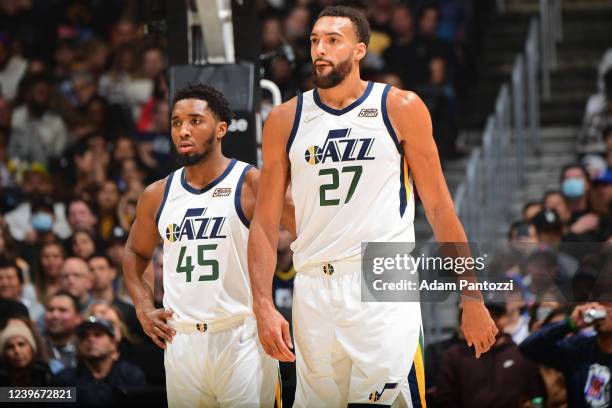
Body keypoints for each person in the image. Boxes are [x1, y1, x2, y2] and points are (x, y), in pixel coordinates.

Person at [248, 5, 497, 407]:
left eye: (333, 40)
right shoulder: (284, 119)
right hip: (313, 285)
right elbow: (263, 224)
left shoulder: (399, 107)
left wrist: (471, 296)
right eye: (314, 41)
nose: (320, 50)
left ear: (360, 50)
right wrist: (262, 304)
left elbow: (439, 208)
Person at [123, 84, 294, 406]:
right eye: (176, 122)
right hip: (182, 339)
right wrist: (143, 307)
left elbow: (306, 228)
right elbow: (135, 252)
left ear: (221, 129)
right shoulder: (157, 194)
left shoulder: (251, 183)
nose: (183, 131)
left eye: (195, 121)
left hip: (241, 335)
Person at [434, 300, 546, 407]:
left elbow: (536, 397)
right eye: (482, 315)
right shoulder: (455, 356)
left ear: (505, 318)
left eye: (495, 315)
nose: (489, 321)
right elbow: (445, 398)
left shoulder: (522, 355)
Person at [520, 300, 612, 407]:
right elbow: (528, 347)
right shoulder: (578, 348)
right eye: (599, 304)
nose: (604, 310)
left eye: (609, 305)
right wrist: (570, 323)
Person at [55, 316, 146, 406]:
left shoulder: (131, 375)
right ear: (79, 345)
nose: (90, 339)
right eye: (84, 336)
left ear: (113, 344)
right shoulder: (64, 378)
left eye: (98, 335)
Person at [42, 290, 82, 374]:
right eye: (50, 310)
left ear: (78, 317)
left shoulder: (86, 349)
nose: (55, 315)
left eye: (62, 310)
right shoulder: (36, 348)